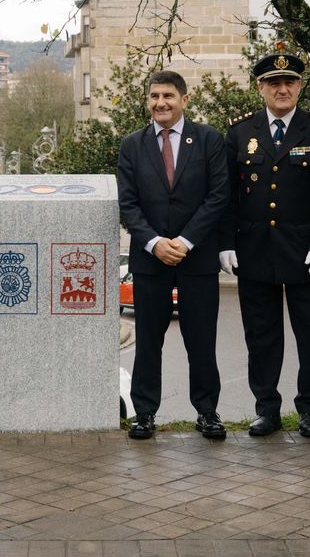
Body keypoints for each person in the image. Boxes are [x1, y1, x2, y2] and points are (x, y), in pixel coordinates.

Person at [219, 54, 310, 438]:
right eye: (274, 83)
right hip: (254, 250)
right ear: (260, 88)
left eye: (289, 82)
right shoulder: (239, 131)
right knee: (261, 336)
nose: (282, 89)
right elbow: (228, 195)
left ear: (300, 86)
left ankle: (309, 409)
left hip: (305, 252)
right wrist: (226, 242)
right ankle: (267, 408)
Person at [117, 70, 231, 440]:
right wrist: (154, 242)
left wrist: (185, 241)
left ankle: (208, 412)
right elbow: (128, 203)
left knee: (201, 341)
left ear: (184, 99)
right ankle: (145, 413)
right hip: (150, 261)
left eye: (168, 95)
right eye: (154, 96)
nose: (160, 103)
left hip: (196, 259)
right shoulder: (132, 145)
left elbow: (218, 196)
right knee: (148, 341)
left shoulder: (209, 140)